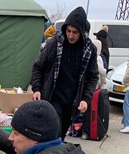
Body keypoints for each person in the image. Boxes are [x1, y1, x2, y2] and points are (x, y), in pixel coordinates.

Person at [31, 6, 99, 141]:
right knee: (52, 135)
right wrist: (37, 88)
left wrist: (86, 99)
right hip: (52, 97)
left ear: (82, 32)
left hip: (72, 102)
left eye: (75, 32)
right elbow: (38, 67)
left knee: (60, 137)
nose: (71, 35)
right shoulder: (54, 44)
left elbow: (93, 77)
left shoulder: (90, 50)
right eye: (68, 31)